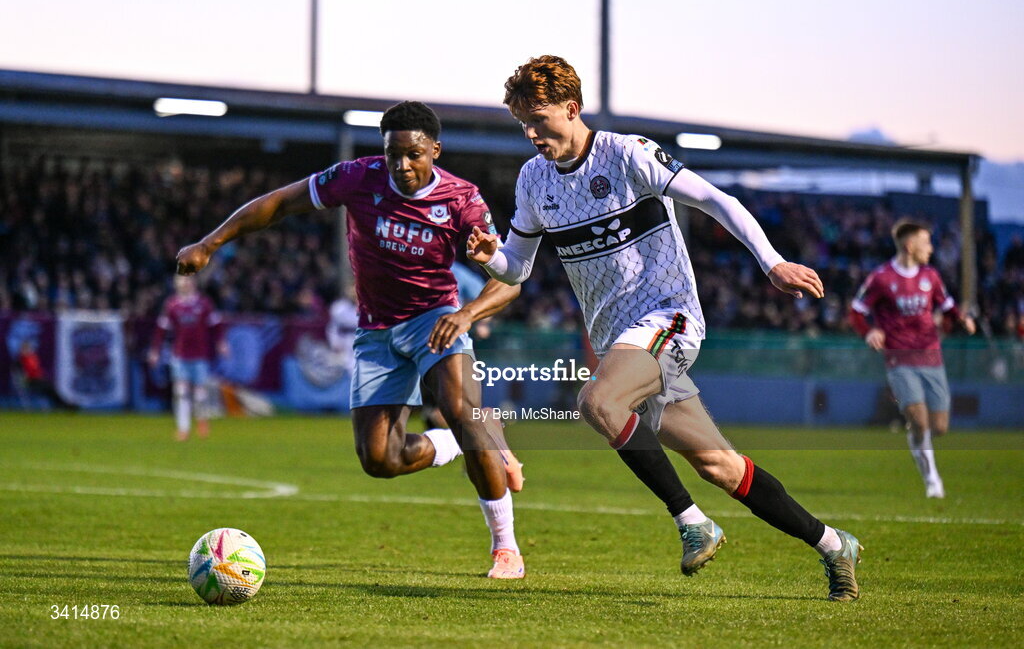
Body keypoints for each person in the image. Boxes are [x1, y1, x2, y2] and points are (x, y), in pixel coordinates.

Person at [469, 55, 861, 600]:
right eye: (523, 124)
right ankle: (834, 545)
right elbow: (517, 266)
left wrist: (772, 263)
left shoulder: (626, 155)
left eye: (540, 119)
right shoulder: (534, 180)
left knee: (597, 403)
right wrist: (491, 257)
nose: (532, 134)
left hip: (667, 318)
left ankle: (693, 522)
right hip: (621, 342)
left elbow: (716, 200)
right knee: (718, 464)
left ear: (572, 108)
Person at [175, 101, 527, 579]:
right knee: (380, 460)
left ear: (435, 151)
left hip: (436, 318)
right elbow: (279, 202)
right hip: (376, 330)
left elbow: (510, 277)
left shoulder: (463, 200)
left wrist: (467, 313)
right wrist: (210, 243)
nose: (402, 165)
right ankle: (459, 444)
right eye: (393, 155)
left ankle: (505, 547)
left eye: (414, 155)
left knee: (464, 410)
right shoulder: (358, 178)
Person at [850, 219, 976, 498]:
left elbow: (948, 305)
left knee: (939, 426)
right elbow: (856, 311)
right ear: (909, 245)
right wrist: (869, 331)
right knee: (919, 420)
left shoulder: (931, 276)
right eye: (926, 242)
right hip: (899, 359)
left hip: (932, 356)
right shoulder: (881, 278)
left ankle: (918, 440)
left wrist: (963, 320)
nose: (931, 249)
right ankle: (932, 478)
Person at [148, 275, 225, 441]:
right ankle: (183, 428)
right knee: (181, 392)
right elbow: (162, 329)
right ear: (177, 284)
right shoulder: (172, 305)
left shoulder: (204, 303)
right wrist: (155, 350)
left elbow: (216, 325)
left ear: (194, 283)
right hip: (180, 355)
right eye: (182, 281)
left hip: (200, 355)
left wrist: (221, 343)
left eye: (188, 281)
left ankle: (202, 420)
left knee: (199, 393)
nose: (185, 283)